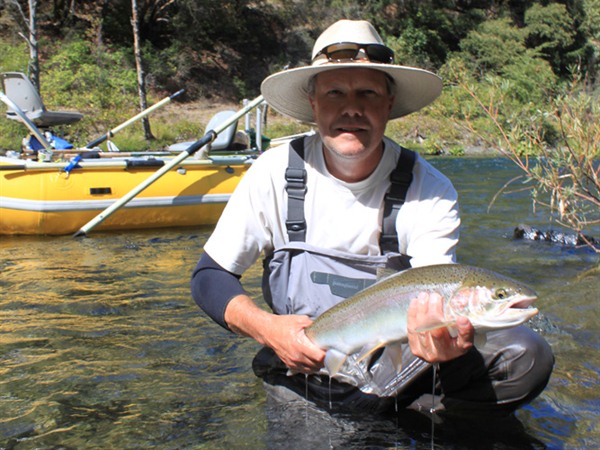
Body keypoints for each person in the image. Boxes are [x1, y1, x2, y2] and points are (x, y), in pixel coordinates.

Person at [191, 19, 553, 417]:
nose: (352, 108)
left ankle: (425, 422)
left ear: (389, 103)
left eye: (367, 92)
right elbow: (210, 277)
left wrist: (442, 339)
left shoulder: (430, 188)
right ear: (313, 103)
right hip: (306, 369)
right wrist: (268, 330)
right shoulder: (273, 173)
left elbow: (434, 282)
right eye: (335, 93)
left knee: (526, 355)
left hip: (399, 368)